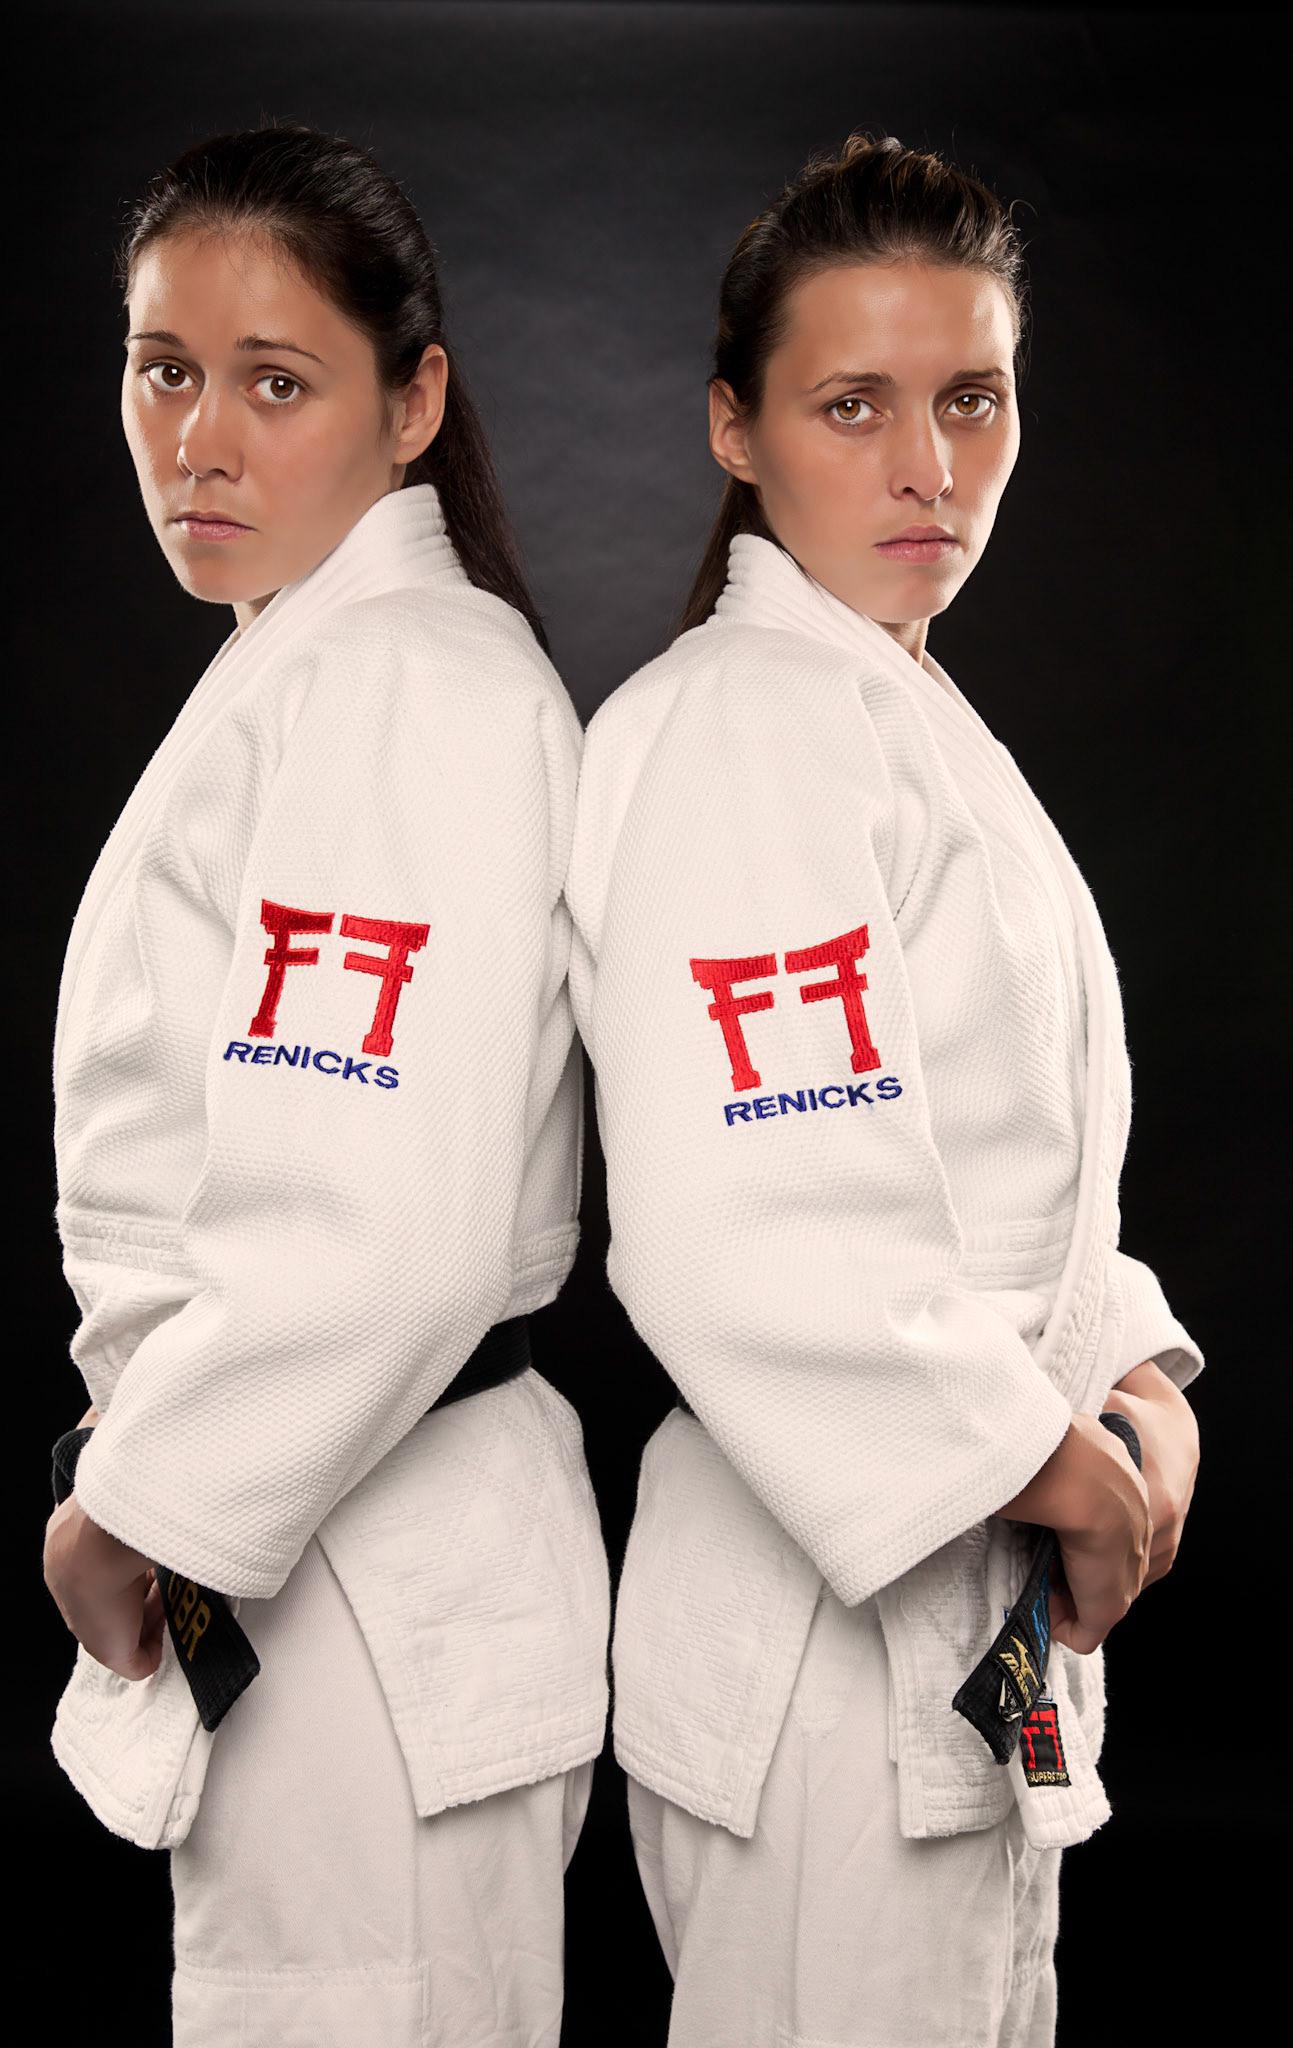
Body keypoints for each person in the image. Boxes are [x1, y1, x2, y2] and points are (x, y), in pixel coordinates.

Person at [566, 134, 1201, 2046]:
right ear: (734, 431)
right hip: (826, 1665)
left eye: (969, 398)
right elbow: (753, 1223)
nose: (926, 465)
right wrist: (1049, 1464)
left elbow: (1014, 1174)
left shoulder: (892, 709)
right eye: (852, 405)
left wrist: (1137, 1383)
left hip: (955, 1613)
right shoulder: (740, 727)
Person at [41, 124, 609, 2045]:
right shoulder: (322, 662)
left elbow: (390, 1232)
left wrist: (133, 1508)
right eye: (161, 365)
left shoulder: (400, 687)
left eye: (275, 382)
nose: (198, 437)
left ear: (412, 402)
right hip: (343, 1579)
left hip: (360, 1596)